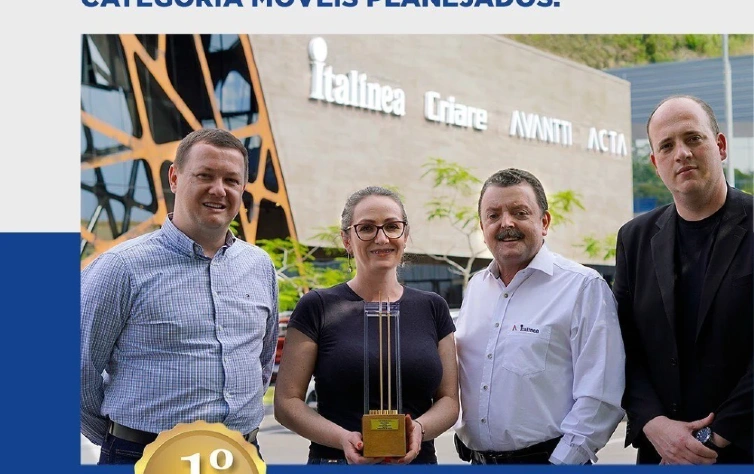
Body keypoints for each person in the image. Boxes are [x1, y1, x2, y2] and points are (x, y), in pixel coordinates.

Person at [80, 128, 279, 465]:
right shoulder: (121, 267)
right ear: (174, 177)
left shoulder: (260, 266)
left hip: (240, 456)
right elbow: (78, 370)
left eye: (231, 180)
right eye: (205, 175)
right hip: (145, 456)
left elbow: (262, 360)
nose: (219, 189)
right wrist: (121, 442)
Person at [274, 186, 459, 465]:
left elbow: (449, 401)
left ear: (405, 235)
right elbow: (286, 403)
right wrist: (342, 439)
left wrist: (418, 430)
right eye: (367, 228)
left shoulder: (433, 307)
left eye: (392, 226)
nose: (381, 238)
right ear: (347, 239)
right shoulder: (317, 306)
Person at [614, 95, 753, 464]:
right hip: (662, 453)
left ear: (720, 146)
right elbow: (622, 345)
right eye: (667, 146)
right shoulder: (634, 238)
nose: (682, 153)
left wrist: (712, 436)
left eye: (693, 138)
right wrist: (654, 424)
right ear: (655, 163)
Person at [454, 168, 625, 465]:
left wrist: (562, 462)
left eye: (519, 213)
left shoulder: (582, 287)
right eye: (493, 216)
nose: (506, 223)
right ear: (482, 227)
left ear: (544, 222)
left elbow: (602, 394)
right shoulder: (476, 288)